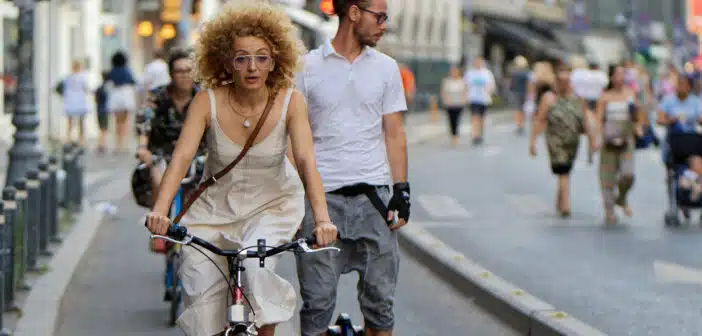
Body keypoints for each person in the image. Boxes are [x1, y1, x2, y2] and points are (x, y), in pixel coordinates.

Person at [143, 2, 337, 335]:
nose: (252, 67)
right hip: (213, 209)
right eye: (242, 58)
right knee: (200, 296)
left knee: (255, 266)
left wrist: (321, 220)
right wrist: (160, 213)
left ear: (275, 62)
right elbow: (181, 158)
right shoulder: (207, 101)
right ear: (226, 62)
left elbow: (306, 161)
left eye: (262, 57)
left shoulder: (291, 102)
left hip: (271, 205)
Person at [294, 0, 410, 335]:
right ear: (354, 13)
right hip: (321, 203)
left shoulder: (387, 68)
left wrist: (401, 190)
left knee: (380, 303)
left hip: (373, 200)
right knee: (317, 304)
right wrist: (290, 199)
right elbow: (294, 139)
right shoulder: (307, 67)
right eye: (380, 16)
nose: (384, 24)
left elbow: (394, 132)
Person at [135, 48, 205, 205]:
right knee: (160, 184)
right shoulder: (158, 95)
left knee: (198, 197)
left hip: (195, 154)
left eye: (188, 70)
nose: (184, 75)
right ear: (171, 74)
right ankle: (159, 222)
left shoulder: (203, 96)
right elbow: (145, 120)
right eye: (179, 71)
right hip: (163, 153)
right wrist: (142, 147)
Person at [530, 61, 598, 217]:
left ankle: (560, 198)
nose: (563, 84)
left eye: (566, 81)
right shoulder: (548, 98)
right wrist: (532, 142)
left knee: (565, 170)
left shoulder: (577, 99)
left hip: (572, 141)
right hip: (555, 141)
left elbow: (585, 121)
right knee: (563, 169)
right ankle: (566, 204)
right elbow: (540, 119)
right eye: (560, 80)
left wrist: (592, 141)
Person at [595, 64, 644, 225]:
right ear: (611, 77)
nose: (620, 78)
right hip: (609, 140)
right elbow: (599, 120)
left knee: (628, 174)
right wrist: (598, 138)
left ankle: (621, 198)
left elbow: (636, 117)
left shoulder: (630, 94)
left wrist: (637, 115)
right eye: (617, 74)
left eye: (623, 74)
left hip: (626, 138)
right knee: (607, 178)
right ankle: (609, 210)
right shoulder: (605, 97)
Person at [105, 51, 137, 152]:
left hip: (115, 97)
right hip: (125, 97)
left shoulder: (112, 71)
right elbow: (133, 81)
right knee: (125, 122)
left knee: (117, 122)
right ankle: (124, 144)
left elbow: (107, 82)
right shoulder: (127, 70)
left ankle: (117, 144)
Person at [464, 56, 496, 145]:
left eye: (479, 62)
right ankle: (475, 135)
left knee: (481, 118)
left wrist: (489, 90)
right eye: (476, 62)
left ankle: (480, 134)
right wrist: (465, 97)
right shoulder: (469, 73)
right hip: (473, 98)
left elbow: (492, 85)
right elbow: (465, 86)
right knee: (475, 117)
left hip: (484, 99)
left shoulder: (487, 73)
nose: (478, 64)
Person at [60, 60, 90, 146]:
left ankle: (69, 138)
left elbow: (64, 88)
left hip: (71, 101)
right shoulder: (82, 77)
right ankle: (80, 139)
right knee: (80, 121)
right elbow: (86, 88)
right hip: (79, 101)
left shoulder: (69, 77)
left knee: (70, 121)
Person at [441, 65, 468, 145]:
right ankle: (453, 135)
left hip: (458, 103)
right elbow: (444, 92)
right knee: (451, 120)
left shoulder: (461, 81)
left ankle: (455, 136)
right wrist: (446, 100)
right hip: (449, 103)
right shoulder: (446, 81)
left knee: (457, 120)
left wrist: (464, 100)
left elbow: (464, 92)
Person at [509, 55, 530, 135]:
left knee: (518, 110)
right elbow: (529, 84)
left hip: (517, 93)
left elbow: (512, 85)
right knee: (523, 110)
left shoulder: (515, 73)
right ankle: (522, 125)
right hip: (525, 93)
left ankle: (519, 125)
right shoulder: (527, 72)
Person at [94, 71, 110, 153]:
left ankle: (101, 144)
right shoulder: (107, 88)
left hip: (99, 109)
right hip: (104, 110)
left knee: (101, 128)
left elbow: (96, 99)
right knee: (104, 128)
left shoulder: (99, 88)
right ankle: (102, 144)